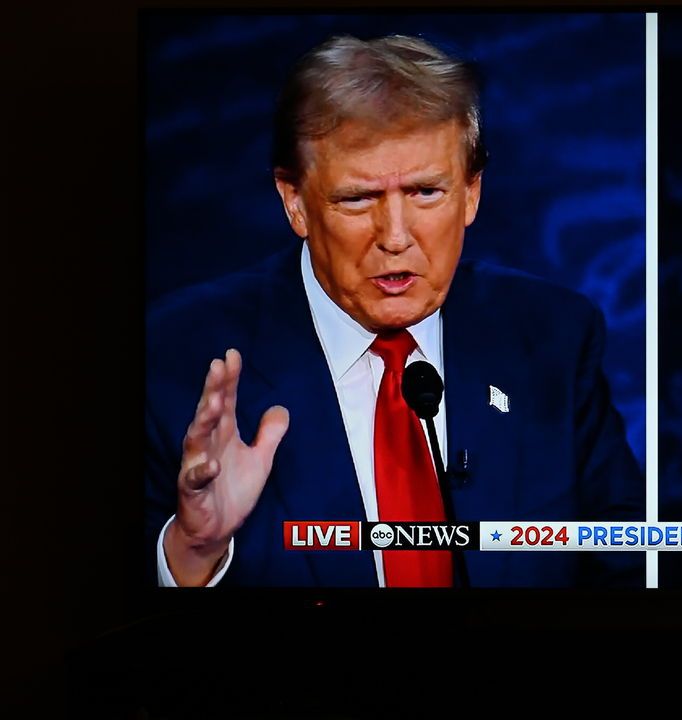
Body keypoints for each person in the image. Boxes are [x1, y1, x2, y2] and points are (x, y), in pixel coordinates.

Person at [145, 34, 644, 588]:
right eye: (358, 199)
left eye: (427, 192)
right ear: (295, 201)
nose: (396, 237)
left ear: (472, 193)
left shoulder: (553, 337)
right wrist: (191, 550)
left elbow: (623, 563)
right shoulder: (174, 356)